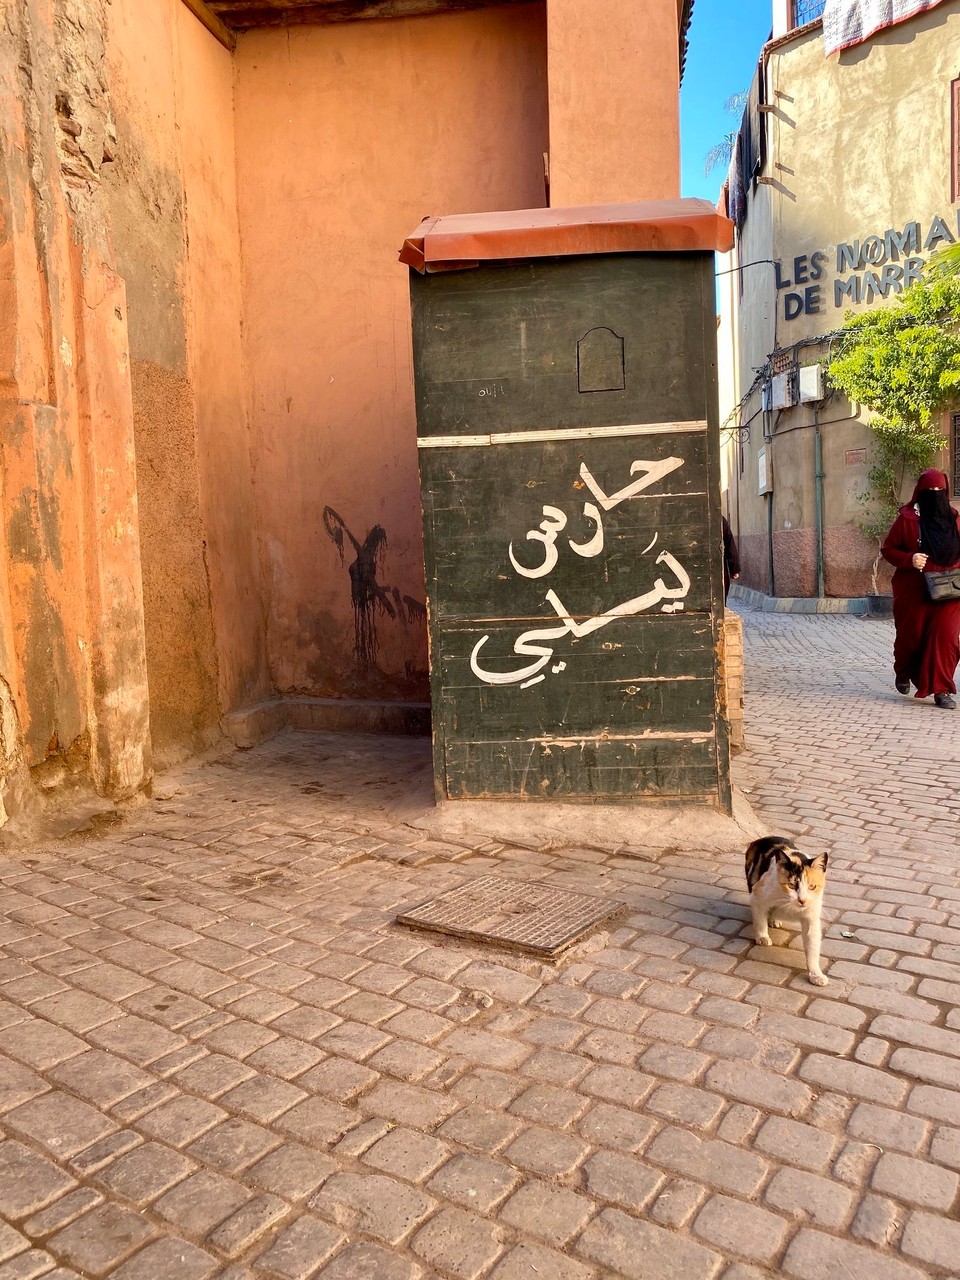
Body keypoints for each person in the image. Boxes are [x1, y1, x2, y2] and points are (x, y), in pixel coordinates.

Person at [880, 468, 960, 710]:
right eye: (929, 491)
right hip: (915, 590)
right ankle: (903, 671)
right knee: (910, 638)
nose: (935, 494)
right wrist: (910, 559)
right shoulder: (907, 519)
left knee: (946, 639)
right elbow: (889, 549)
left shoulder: (954, 518)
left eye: (939, 490)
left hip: (950, 590)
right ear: (919, 492)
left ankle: (941, 689)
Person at [721, 514, 741, 601]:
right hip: (718, 569)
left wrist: (734, 568)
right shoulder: (719, 519)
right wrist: (734, 569)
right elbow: (729, 544)